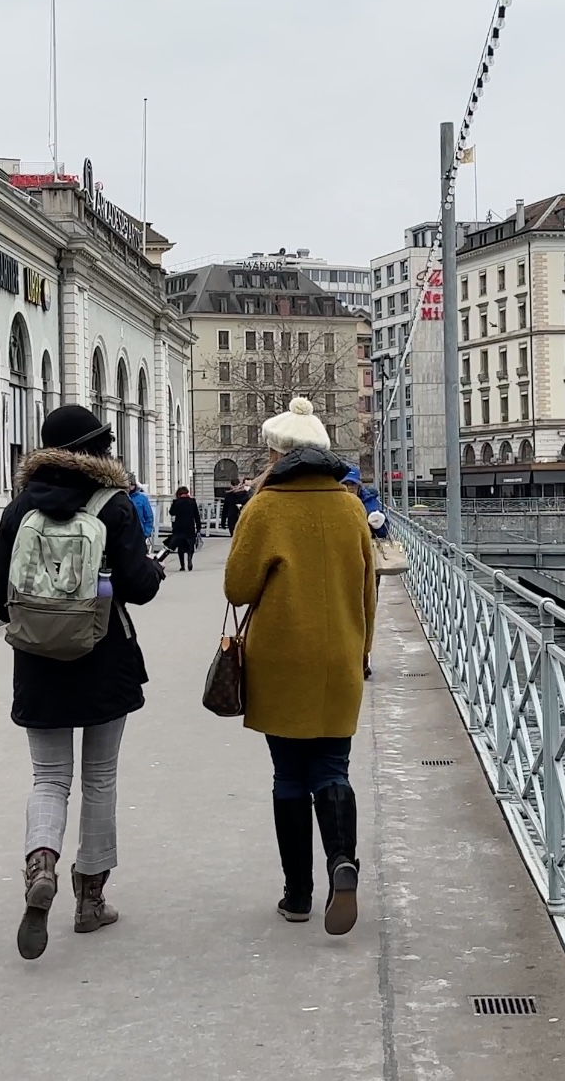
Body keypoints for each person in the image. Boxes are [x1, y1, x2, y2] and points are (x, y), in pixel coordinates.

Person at [0, 405, 165, 961]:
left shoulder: (19, 509)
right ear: (98, 449)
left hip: (38, 661)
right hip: (104, 657)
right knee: (100, 779)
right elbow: (139, 587)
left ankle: (41, 864)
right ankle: (91, 901)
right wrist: (150, 568)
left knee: (48, 778)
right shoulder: (113, 506)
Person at [224, 397, 378, 934]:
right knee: (333, 768)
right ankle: (342, 862)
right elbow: (368, 589)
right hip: (340, 656)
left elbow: (237, 589)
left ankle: (297, 895)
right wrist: (362, 649)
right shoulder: (350, 508)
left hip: (280, 659)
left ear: (276, 454)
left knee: (289, 774)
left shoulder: (264, 508)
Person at [166, 487, 202, 571]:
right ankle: (189, 559)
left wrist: (174, 503)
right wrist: (198, 527)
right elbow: (196, 515)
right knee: (190, 545)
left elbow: (172, 512)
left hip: (179, 527)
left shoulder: (176, 502)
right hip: (190, 527)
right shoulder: (192, 502)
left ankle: (182, 566)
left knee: (180, 547)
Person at [127, 477, 157, 557]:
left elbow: (149, 516)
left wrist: (146, 533)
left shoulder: (142, 498)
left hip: (140, 532)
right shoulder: (123, 497)